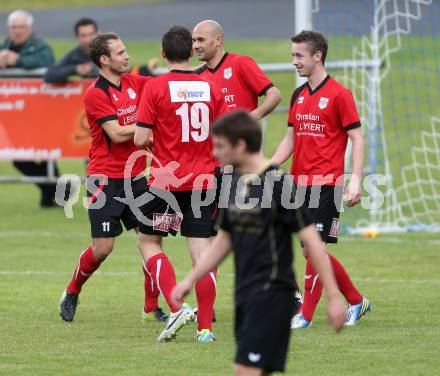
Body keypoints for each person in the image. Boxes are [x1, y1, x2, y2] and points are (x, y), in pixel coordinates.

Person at [171, 111, 346, 376]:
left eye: (220, 146)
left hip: (272, 295)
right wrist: (188, 281)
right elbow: (224, 241)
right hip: (244, 294)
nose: (215, 153)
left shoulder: (278, 183)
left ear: (240, 145)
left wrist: (333, 297)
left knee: (245, 371)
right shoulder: (234, 184)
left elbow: (313, 242)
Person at [58, 32, 169, 324]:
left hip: (137, 177)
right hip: (105, 179)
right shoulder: (96, 93)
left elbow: (164, 86)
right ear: (104, 60)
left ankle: (151, 306)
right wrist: (148, 126)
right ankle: (72, 290)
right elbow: (117, 133)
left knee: (152, 237)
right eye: (120, 53)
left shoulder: (134, 82)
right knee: (103, 247)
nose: (126, 55)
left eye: (125, 50)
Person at [271, 30, 371, 329]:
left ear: (318, 56)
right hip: (299, 184)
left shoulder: (339, 95)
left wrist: (355, 180)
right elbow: (290, 139)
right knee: (309, 250)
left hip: (326, 183)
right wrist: (268, 165)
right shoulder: (298, 95)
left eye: (299, 56)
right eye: (292, 55)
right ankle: (356, 300)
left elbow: (357, 137)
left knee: (314, 248)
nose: (294, 62)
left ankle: (305, 315)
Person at [134, 25, 227, 343]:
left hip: (167, 182)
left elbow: (140, 137)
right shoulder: (211, 86)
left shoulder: (156, 87)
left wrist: (157, 142)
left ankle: (176, 307)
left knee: (148, 242)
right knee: (202, 255)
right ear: (191, 52)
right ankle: (205, 329)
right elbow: (224, 136)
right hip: (204, 180)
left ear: (163, 54)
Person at [0, 10, 58, 207]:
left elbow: (48, 64)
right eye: (14, 27)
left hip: (39, 110)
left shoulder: (40, 46)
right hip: (14, 112)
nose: (17, 31)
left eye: (21, 27)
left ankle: (51, 195)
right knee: (20, 158)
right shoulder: (5, 46)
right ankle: (53, 190)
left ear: (30, 29)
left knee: (47, 153)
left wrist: (18, 61)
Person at [192, 20, 281, 119]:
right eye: (194, 40)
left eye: (201, 40)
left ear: (218, 40)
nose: (195, 46)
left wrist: (248, 119)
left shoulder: (240, 63)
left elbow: (274, 95)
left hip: (241, 134)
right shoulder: (197, 75)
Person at [44, 18, 99, 83]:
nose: (88, 40)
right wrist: (75, 69)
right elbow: (49, 75)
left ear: (98, 35)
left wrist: (92, 69)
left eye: (91, 34)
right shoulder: (75, 55)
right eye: (83, 36)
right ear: (76, 38)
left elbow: (113, 71)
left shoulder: (107, 52)